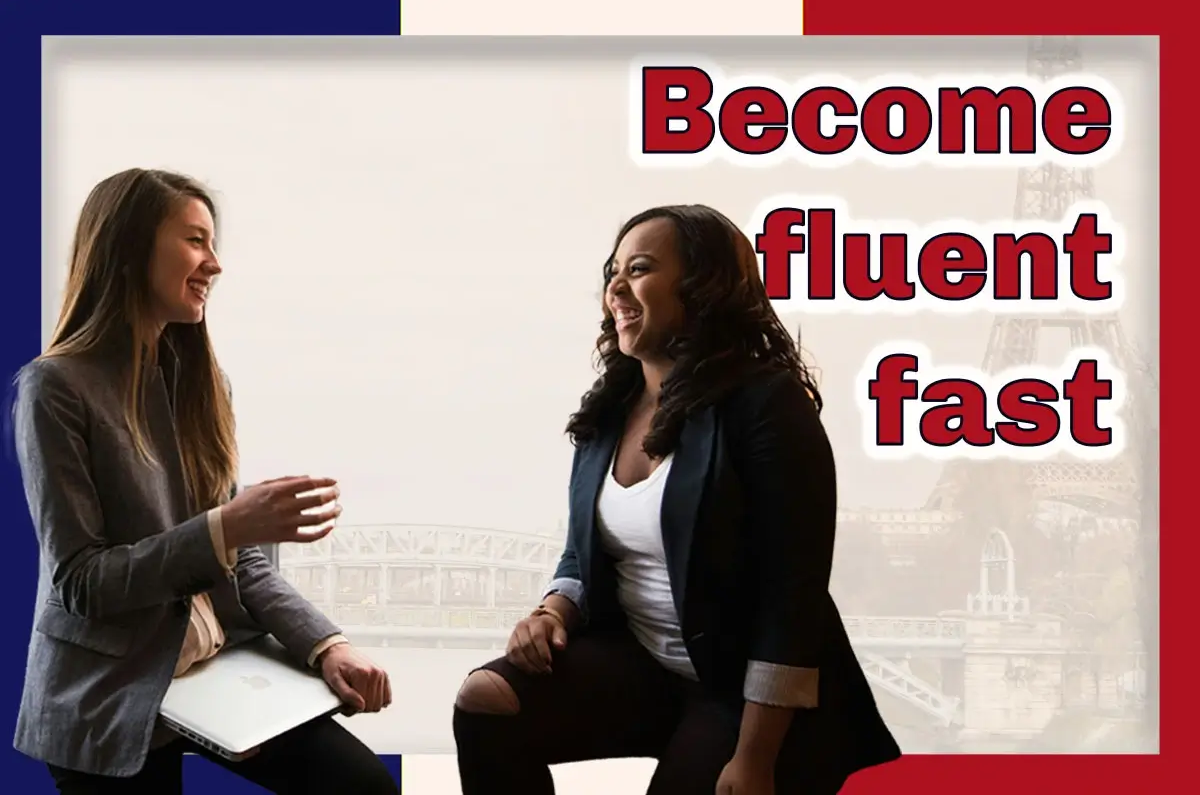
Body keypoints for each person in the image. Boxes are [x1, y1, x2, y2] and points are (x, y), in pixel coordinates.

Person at [452, 205, 902, 794]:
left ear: (703, 286)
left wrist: (755, 758)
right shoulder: (609, 410)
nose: (615, 286)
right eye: (612, 271)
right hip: (645, 668)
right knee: (485, 702)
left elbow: (793, 600)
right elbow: (583, 554)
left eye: (638, 269)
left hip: (746, 695)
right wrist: (553, 611)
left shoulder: (766, 405)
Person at [10, 168, 399, 794]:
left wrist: (328, 646)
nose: (214, 265)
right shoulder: (52, 389)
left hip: (214, 669)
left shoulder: (203, 386)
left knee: (365, 787)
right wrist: (225, 526)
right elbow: (82, 583)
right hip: (109, 690)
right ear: (130, 247)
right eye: (195, 240)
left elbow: (244, 564)